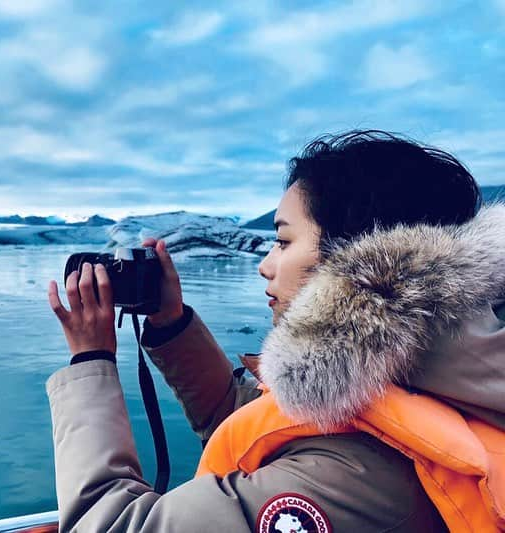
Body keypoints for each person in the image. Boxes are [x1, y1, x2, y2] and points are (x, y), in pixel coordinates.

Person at [45, 130, 505, 532]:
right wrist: (172, 324)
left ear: (358, 262)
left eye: (284, 241)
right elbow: (245, 419)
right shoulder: (430, 374)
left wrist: (90, 360)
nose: (265, 265)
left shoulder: (346, 480)